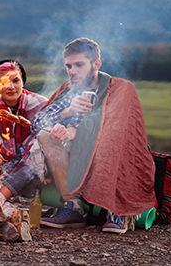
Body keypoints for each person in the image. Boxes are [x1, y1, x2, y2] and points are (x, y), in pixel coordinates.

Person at [33, 38, 156, 234]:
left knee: (111, 138)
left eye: (79, 65)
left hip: (111, 149)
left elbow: (118, 128)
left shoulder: (120, 88)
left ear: (96, 64)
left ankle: (118, 210)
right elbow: (37, 121)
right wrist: (65, 115)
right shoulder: (69, 90)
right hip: (76, 155)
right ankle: (74, 206)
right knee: (45, 135)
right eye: (69, 66)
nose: (72, 71)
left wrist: (74, 131)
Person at [0, 60, 48, 214]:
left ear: (23, 82)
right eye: (4, 81)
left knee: (37, 149)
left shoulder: (40, 105)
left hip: (40, 168)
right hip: (8, 165)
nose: (11, 87)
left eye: (15, 81)